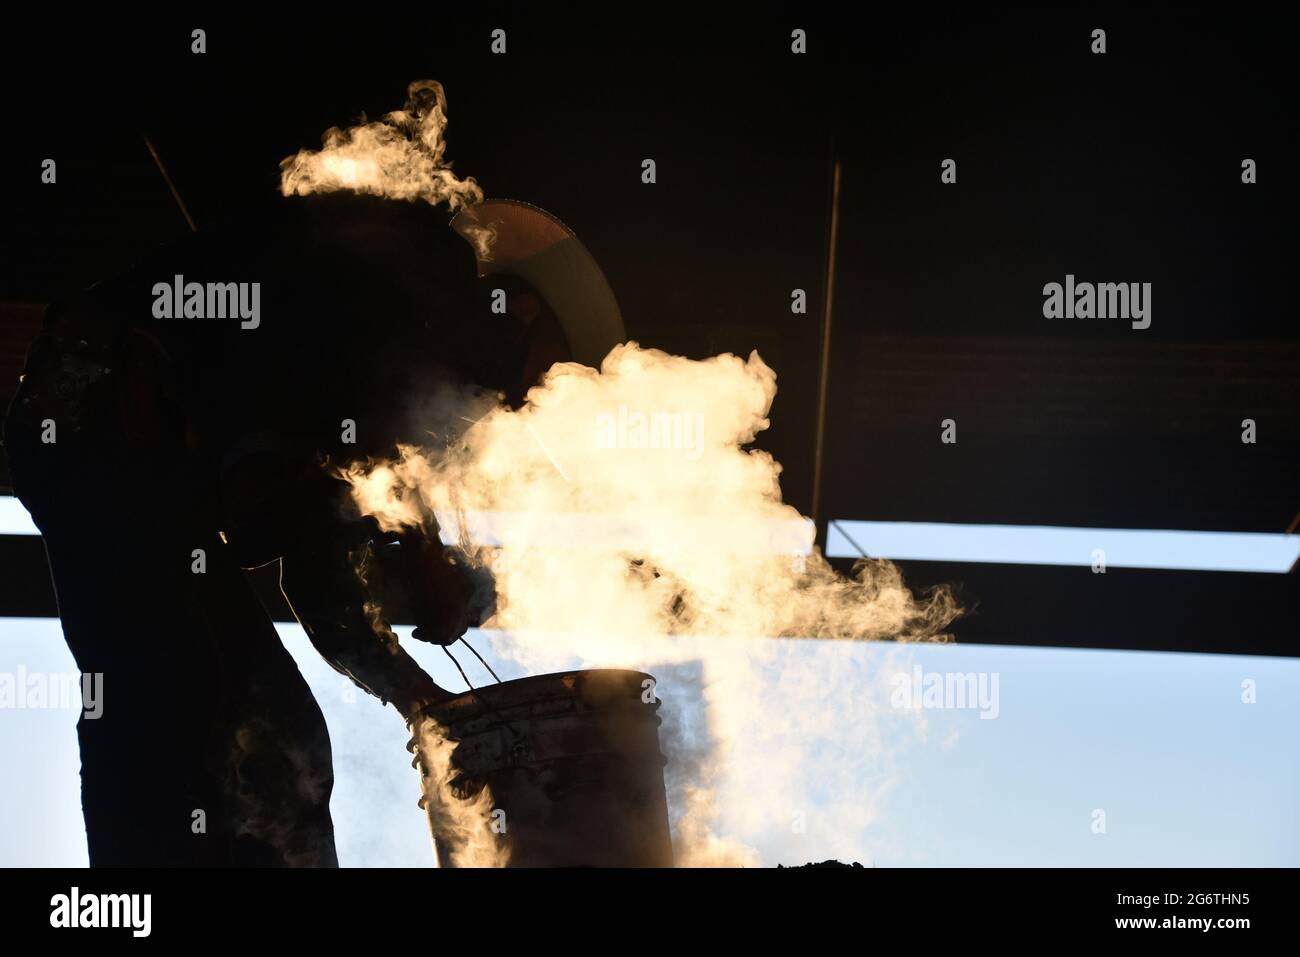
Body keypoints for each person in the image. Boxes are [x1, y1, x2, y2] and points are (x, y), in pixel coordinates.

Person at [2, 192, 623, 866]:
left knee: (253, 725)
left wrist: (420, 691)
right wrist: (417, 566)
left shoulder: (389, 349)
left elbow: (315, 562)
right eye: (547, 375)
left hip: (111, 455)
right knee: (211, 713)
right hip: (98, 430)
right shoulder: (398, 295)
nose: (527, 401)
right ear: (522, 312)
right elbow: (317, 547)